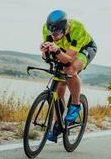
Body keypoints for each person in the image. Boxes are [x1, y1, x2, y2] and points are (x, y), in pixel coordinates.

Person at [40, 10, 97, 142]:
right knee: (59, 85)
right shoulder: (47, 29)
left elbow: (69, 59)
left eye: (57, 33)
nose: (53, 36)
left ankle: (75, 105)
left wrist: (57, 50)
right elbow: (47, 55)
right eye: (51, 33)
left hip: (85, 49)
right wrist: (44, 51)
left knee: (70, 70)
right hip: (64, 50)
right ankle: (57, 125)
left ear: (65, 28)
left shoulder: (77, 28)